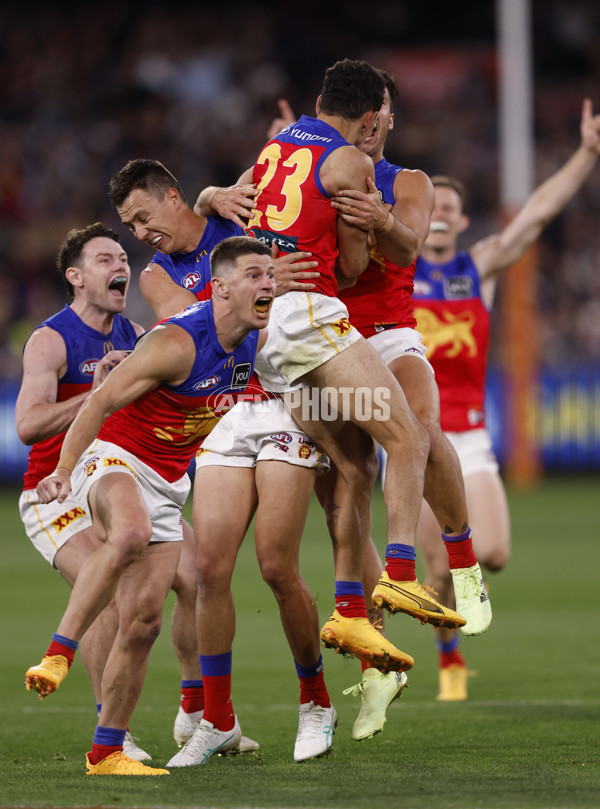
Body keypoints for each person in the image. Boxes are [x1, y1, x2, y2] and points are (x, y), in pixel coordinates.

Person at [198, 58, 466, 677]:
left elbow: (233, 221)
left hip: (265, 335)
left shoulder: (270, 151)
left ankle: (348, 606)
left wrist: (219, 203)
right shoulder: (352, 164)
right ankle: (399, 574)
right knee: (406, 436)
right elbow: (348, 268)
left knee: (351, 466)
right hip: (309, 320)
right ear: (372, 120)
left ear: (320, 102)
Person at [26, 236, 274, 775]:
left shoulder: (255, 343)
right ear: (223, 288)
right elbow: (98, 402)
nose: (269, 285)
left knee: (142, 624)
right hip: (112, 459)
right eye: (255, 275)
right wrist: (65, 471)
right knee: (130, 535)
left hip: (166, 484)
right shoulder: (177, 342)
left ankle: (107, 751)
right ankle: (58, 654)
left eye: (270, 275)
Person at [109, 159, 330, 759]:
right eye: (129, 225)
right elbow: (205, 319)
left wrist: (223, 209)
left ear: (173, 197)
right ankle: (215, 717)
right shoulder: (155, 274)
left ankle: (316, 703)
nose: (139, 233)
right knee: (208, 571)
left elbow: (295, 202)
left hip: (282, 398)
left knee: (278, 568)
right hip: (227, 414)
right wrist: (261, 279)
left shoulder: (237, 213)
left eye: (143, 216)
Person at [411, 97, 600, 700]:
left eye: (451, 207)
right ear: (418, 215)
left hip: (468, 435)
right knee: (437, 568)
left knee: (492, 554)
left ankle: (454, 624)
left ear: (464, 220)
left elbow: (536, 216)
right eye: (432, 205)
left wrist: (587, 155)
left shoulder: (480, 267)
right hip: (416, 440)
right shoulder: (394, 272)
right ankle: (449, 658)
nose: (441, 213)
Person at [322, 71, 491, 734]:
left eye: (379, 109)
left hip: (389, 336)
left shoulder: (409, 180)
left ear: (385, 116)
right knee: (340, 504)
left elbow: (410, 244)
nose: (373, 121)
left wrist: (377, 217)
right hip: (325, 341)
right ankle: (380, 662)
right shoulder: (314, 176)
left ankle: (465, 562)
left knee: (420, 430)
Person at [16, 222, 152, 761]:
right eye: (104, 259)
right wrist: (96, 395)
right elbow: (27, 425)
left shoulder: (137, 338)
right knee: (111, 600)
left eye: (123, 256)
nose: (120, 265)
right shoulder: (51, 339)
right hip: (54, 495)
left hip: (107, 486)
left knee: (197, 574)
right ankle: (110, 735)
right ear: (75, 277)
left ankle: (205, 715)